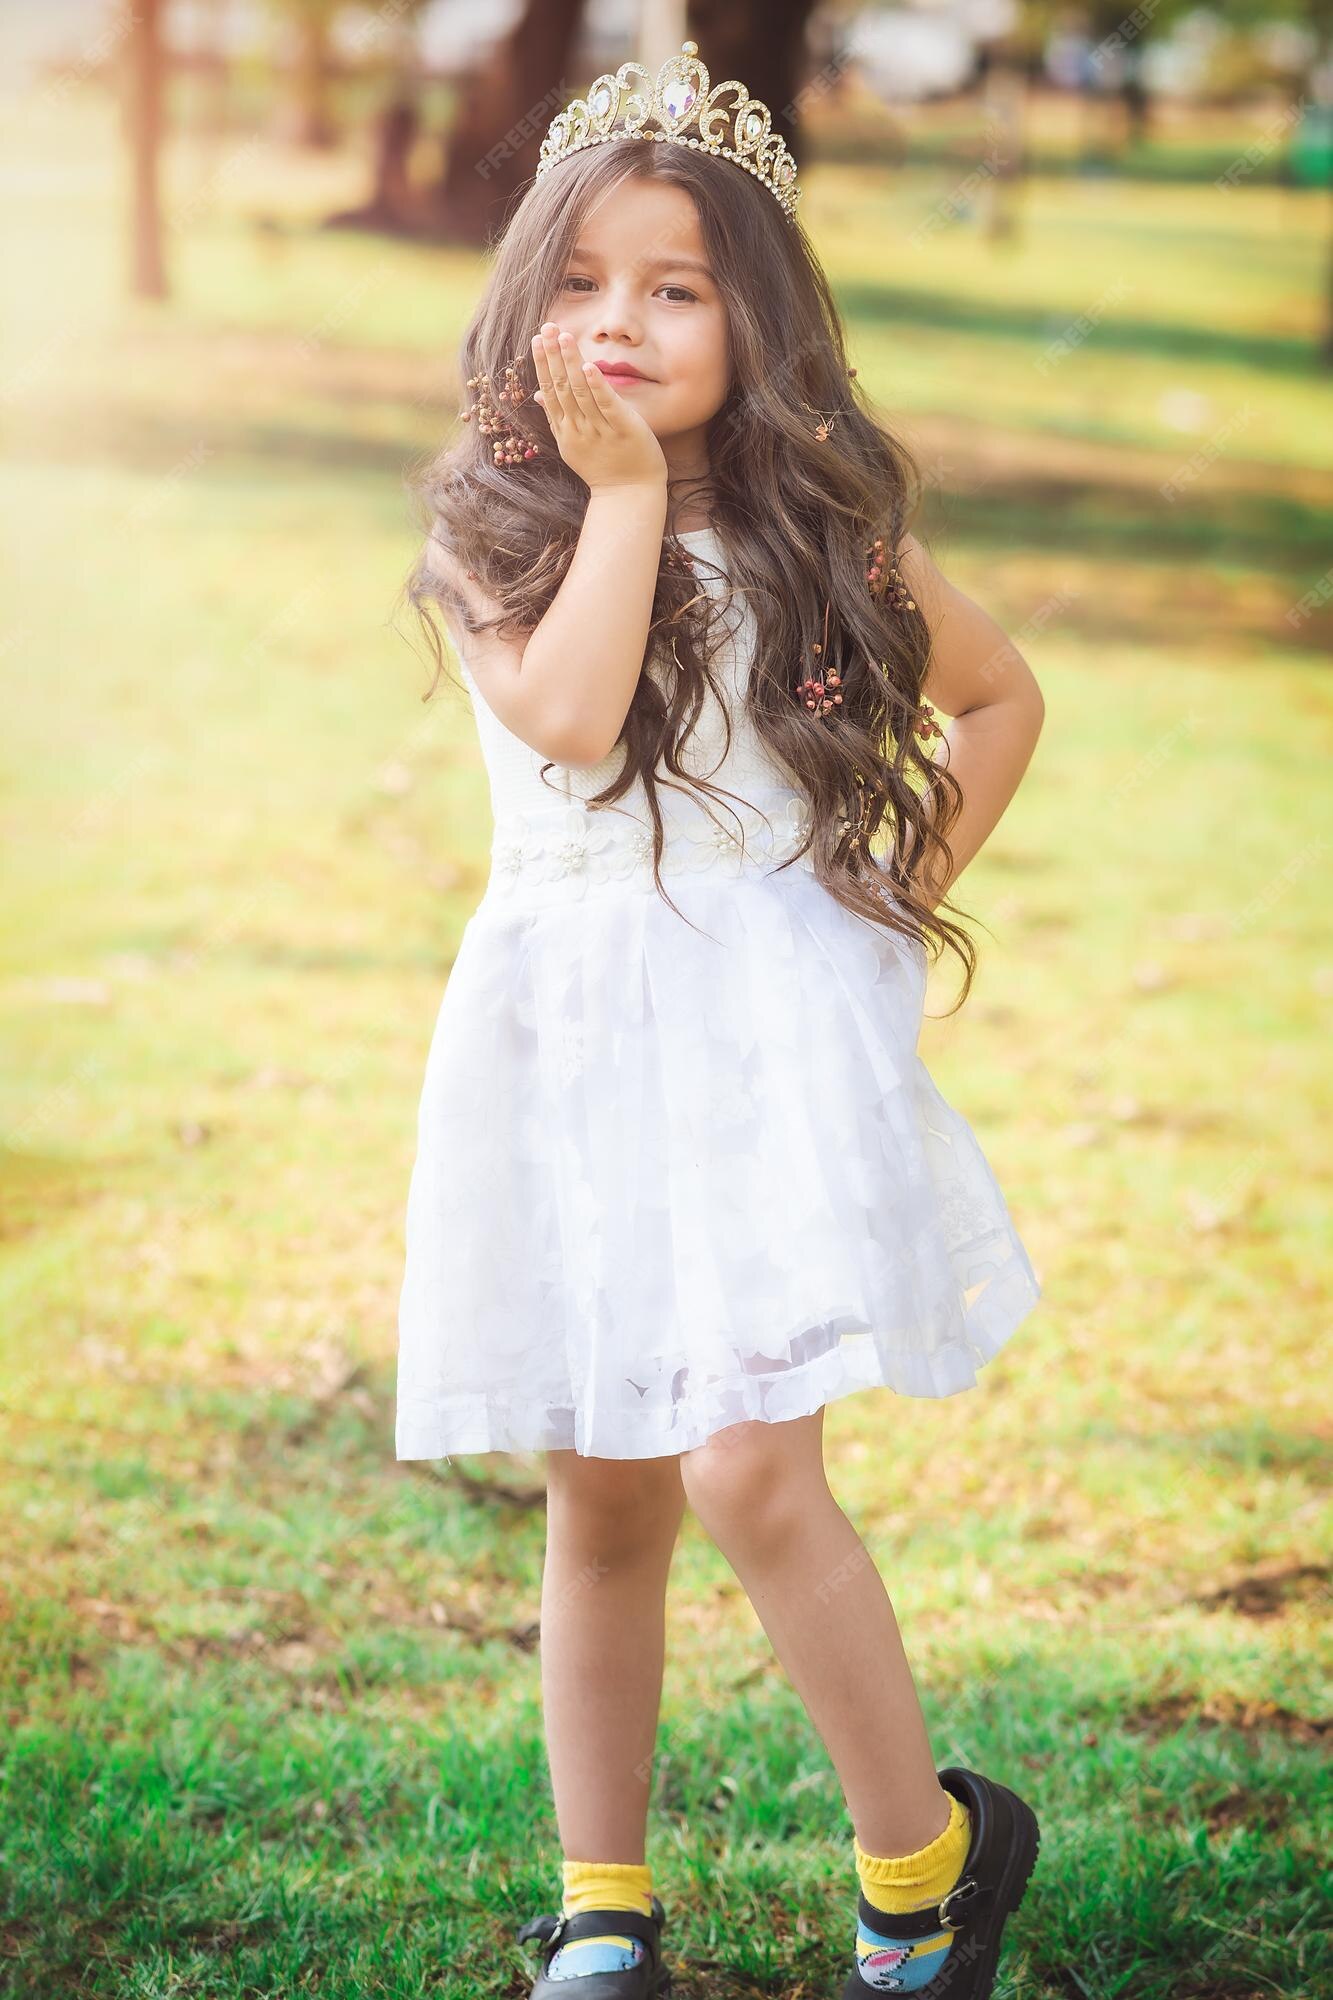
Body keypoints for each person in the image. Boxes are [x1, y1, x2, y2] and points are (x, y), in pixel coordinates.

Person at [394, 41, 1044, 2000]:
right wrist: (610, 502)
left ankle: (921, 1862)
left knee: (752, 1464)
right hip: (568, 1036)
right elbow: (576, 716)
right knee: (602, 1484)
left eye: (676, 287)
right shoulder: (489, 537)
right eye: (583, 282)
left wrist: (890, 891)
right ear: (525, 310)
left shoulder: (817, 529)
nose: (623, 322)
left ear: (752, 321)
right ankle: (606, 1901)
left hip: (763, 1030)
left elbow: (999, 698)